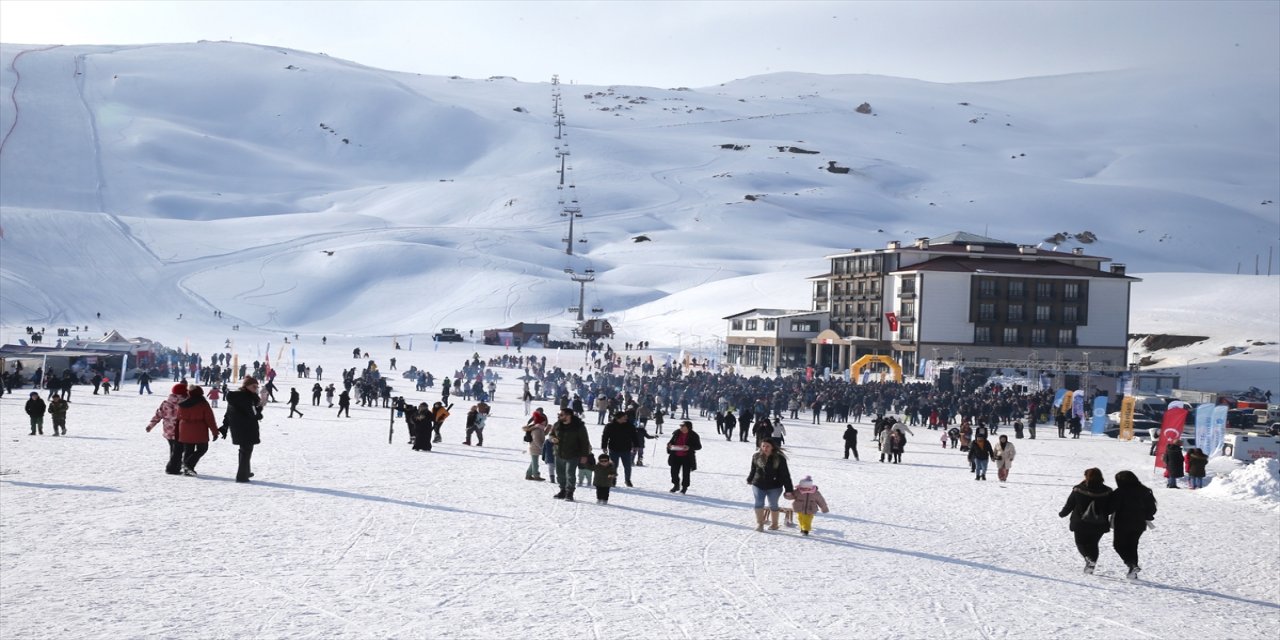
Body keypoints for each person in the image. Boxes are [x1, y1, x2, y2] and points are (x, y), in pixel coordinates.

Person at [1058, 467, 1113, 574]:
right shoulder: (1108, 491)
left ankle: (1088, 559)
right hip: (1100, 523)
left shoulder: (1079, 489)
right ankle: (1091, 565)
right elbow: (1111, 507)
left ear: (1086, 476)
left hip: (1080, 522)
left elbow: (1070, 504)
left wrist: (1062, 513)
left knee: (1080, 543)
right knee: (1093, 544)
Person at [1110, 470, 1158, 580]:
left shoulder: (1120, 492)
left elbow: (1111, 507)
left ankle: (1131, 565)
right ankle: (1133, 571)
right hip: (1139, 524)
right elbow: (1152, 509)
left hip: (1122, 523)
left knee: (1118, 545)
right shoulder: (1145, 491)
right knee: (1133, 546)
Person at [747, 440, 794, 532]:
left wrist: (789, 489)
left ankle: (775, 524)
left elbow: (785, 474)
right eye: (763, 446)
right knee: (759, 503)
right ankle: (760, 524)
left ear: (772, 447)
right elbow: (753, 469)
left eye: (767, 446)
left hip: (775, 486)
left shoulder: (779, 458)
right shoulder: (756, 456)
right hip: (758, 484)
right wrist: (750, 479)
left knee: (773, 504)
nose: (765, 448)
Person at [223, 377, 263, 483]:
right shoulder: (247, 398)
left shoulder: (236, 396)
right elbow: (254, 414)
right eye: (254, 386)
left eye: (257, 387)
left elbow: (228, 413)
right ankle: (242, 476)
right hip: (246, 428)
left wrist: (225, 425)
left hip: (238, 428)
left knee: (243, 450)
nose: (256, 389)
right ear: (246, 386)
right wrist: (260, 408)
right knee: (246, 451)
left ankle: (246, 471)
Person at [176, 385, 220, 476]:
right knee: (202, 448)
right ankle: (188, 465)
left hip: (185, 429)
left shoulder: (182, 404)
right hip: (199, 429)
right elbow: (210, 419)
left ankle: (187, 469)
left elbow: (178, 416)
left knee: (188, 449)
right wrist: (215, 432)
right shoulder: (203, 403)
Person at [551, 409, 592, 501]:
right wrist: (553, 438)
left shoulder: (579, 426)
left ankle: (569, 493)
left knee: (570, 474)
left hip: (573, 454)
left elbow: (584, 442)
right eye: (559, 414)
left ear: (568, 416)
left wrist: (584, 455)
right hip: (559, 453)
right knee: (560, 473)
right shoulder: (557, 424)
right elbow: (551, 434)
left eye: (561, 414)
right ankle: (562, 490)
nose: (559, 416)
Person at [146, 383, 188, 473]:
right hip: (180, 431)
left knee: (174, 450)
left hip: (168, 431)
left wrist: (151, 425)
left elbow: (158, 415)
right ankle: (172, 469)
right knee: (178, 451)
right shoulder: (185, 403)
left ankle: (175, 467)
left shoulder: (165, 403)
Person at [601, 411, 637, 487]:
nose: (626, 418)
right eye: (624, 417)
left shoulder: (630, 426)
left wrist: (635, 445)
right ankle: (613, 480)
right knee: (613, 466)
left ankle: (628, 480)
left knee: (627, 466)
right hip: (614, 449)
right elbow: (605, 437)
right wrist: (604, 446)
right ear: (618, 418)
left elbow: (634, 436)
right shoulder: (610, 426)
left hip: (626, 449)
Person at [666, 420, 702, 494]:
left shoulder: (694, 435)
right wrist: (669, 445)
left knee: (686, 473)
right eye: (680, 426)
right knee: (674, 472)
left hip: (687, 457)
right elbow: (671, 442)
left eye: (683, 426)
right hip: (675, 455)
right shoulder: (676, 433)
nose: (681, 427)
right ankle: (676, 485)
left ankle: (684, 487)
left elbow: (698, 446)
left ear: (688, 427)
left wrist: (689, 447)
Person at [523, 408, 550, 480]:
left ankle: (528, 474)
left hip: (535, 447)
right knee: (535, 463)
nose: (545, 423)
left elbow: (543, 434)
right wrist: (542, 447)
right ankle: (536, 475)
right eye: (544, 422)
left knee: (533, 462)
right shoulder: (537, 429)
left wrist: (548, 429)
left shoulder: (540, 429)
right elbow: (536, 439)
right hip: (534, 447)